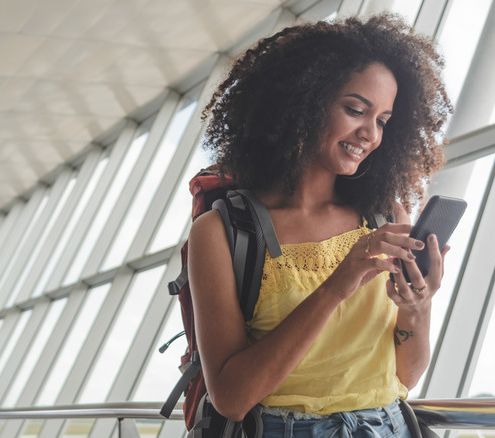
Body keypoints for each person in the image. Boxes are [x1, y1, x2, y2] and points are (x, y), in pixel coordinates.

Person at [187, 13, 452, 437]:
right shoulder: (223, 232)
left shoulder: (387, 216)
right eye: (355, 110)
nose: (370, 134)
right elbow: (232, 399)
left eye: (383, 120)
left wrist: (417, 305)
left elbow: (405, 375)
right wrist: (336, 285)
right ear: (303, 102)